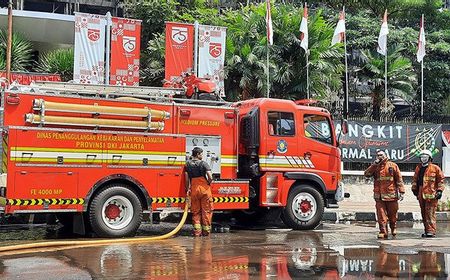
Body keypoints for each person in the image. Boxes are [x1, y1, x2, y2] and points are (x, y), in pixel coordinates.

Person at [364, 150, 405, 239]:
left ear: (386, 156)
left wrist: (401, 192)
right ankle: (383, 231)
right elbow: (367, 174)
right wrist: (374, 165)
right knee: (381, 215)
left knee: (393, 215)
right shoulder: (375, 166)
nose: (379, 157)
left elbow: (399, 179)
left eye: (381, 155)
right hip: (379, 196)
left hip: (391, 195)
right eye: (378, 155)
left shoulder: (393, 166)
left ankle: (393, 228)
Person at [411, 149, 445, 238]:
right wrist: (414, 189)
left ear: (429, 158)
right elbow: (415, 179)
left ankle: (431, 231)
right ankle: (426, 230)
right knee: (423, 212)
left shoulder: (435, 168)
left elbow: (440, 180)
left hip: (431, 193)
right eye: (422, 157)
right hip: (421, 192)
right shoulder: (418, 168)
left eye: (425, 157)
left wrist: (439, 191)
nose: (423, 159)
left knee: (430, 213)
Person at [185, 147, 214, 237]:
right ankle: (206, 232)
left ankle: (197, 232)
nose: (202, 155)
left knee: (196, 211)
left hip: (194, 189)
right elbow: (210, 176)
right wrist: (208, 182)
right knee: (206, 211)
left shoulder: (187, 164)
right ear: (197, 154)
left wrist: (187, 189)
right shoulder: (204, 164)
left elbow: (186, 179)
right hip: (204, 189)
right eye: (201, 154)